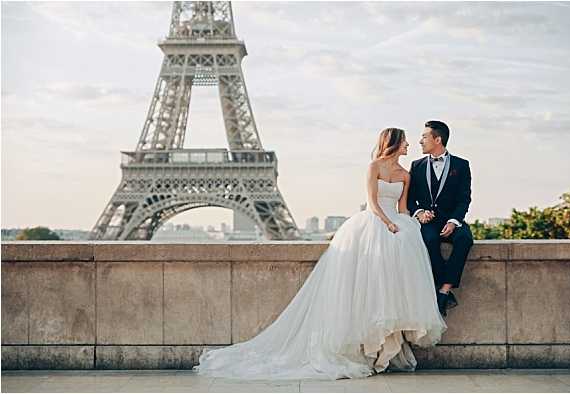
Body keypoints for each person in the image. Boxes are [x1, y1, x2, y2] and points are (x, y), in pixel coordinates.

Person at [192, 128, 447, 380]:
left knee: (387, 290)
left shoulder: (405, 174)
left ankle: (381, 349)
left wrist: (408, 224)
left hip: (394, 227)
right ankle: (367, 349)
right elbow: (372, 202)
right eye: (404, 142)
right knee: (369, 288)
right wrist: (388, 223)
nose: (408, 145)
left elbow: (402, 207)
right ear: (392, 143)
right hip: (374, 224)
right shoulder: (374, 167)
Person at [408, 120, 474, 317]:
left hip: (452, 219)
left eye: (424, 137)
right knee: (429, 240)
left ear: (438, 139)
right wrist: (419, 213)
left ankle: (443, 290)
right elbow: (410, 199)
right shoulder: (416, 165)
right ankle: (444, 291)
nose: (420, 141)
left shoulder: (461, 165)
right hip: (428, 222)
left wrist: (454, 221)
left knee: (465, 239)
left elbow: (464, 198)